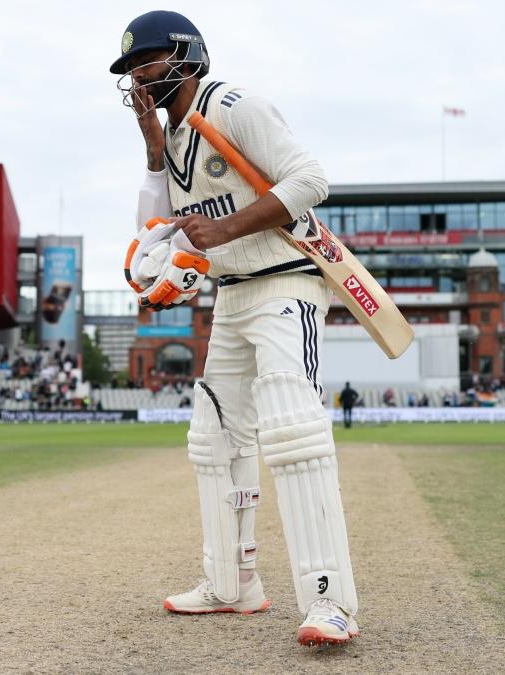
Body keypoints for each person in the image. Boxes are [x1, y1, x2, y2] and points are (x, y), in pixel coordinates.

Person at [112, 10, 359, 646]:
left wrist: (223, 230)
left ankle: (331, 602)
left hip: (286, 282)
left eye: (148, 62)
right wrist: (150, 150)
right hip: (231, 297)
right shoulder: (169, 141)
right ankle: (232, 583)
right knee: (213, 440)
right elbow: (158, 227)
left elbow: (311, 181)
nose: (139, 77)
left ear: (188, 57)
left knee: (294, 435)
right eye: (131, 69)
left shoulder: (236, 105)